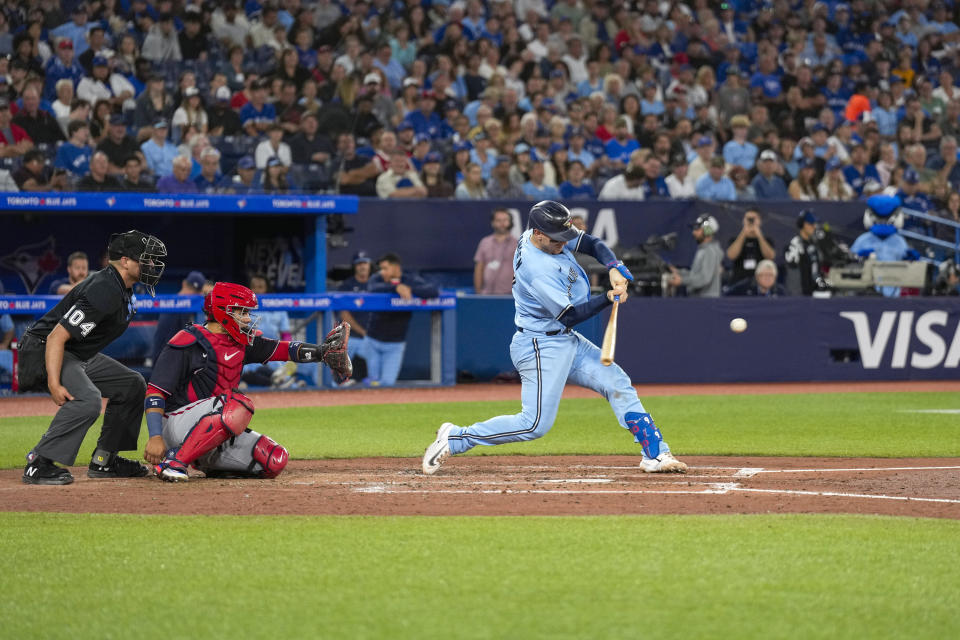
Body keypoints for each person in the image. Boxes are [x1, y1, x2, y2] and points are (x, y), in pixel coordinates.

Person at [422, 200, 687, 476]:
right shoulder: (536, 270)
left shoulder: (539, 234)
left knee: (616, 381)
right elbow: (570, 316)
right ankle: (456, 438)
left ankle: (655, 454)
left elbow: (591, 244)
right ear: (537, 234)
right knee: (535, 424)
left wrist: (613, 265)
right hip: (540, 345)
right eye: (556, 238)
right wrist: (608, 297)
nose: (563, 243)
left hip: (564, 339)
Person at [147, 282, 352, 482]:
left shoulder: (241, 342)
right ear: (222, 312)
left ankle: (209, 464)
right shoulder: (188, 341)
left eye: (247, 313)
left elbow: (283, 349)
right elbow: (155, 392)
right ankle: (174, 463)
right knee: (238, 404)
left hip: (210, 430)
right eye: (242, 312)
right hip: (174, 425)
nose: (247, 319)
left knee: (274, 459)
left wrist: (322, 353)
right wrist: (155, 437)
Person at [18, 231, 167, 485]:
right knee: (88, 400)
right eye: (145, 259)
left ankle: (104, 461)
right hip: (44, 350)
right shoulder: (105, 289)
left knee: (132, 384)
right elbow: (56, 337)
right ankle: (39, 461)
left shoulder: (122, 288)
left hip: (74, 353)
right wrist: (54, 383)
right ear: (125, 261)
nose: (151, 265)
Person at [363, 253, 439, 386]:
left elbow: (433, 291)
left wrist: (409, 289)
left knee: (387, 383)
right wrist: (396, 287)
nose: (382, 272)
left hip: (395, 344)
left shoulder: (408, 279)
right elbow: (372, 288)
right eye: (381, 269)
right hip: (373, 341)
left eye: (386, 268)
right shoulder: (377, 279)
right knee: (373, 383)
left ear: (396, 267)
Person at [150, 271, 206, 363]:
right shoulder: (173, 306)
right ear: (184, 284)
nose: (191, 294)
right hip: (165, 362)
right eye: (190, 288)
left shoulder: (191, 308)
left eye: (195, 292)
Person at [337, 251, 375, 382]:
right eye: (359, 264)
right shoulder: (346, 286)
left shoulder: (377, 284)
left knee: (375, 373)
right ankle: (335, 387)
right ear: (354, 266)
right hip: (351, 337)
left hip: (372, 338)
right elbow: (344, 314)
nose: (362, 266)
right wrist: (363, 332)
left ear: (369, 265)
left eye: (364, 263)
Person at [666, 214, 724, 297]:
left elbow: (704, 278)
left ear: (708, 231)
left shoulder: (710, 251)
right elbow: (696, 274)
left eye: (697, 229)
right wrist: (679, 272)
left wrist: (682, 280)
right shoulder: (704, 250)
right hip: (701, 301)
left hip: (707, 303)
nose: (694, 233)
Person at [474, 208, 518, 295]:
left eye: (505, 220)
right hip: (486, 294)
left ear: (511, 222)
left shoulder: (517, 244)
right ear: (493, 223)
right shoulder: (485, 242)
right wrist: (478, 292)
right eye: (498, 220)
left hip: (509, 296)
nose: (502, 223)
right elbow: (479, 268)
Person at [784, 210, 828, 296]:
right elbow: (792, 268)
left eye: (814, 224)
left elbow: (816, 270)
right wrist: (796, 294)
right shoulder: (795, 244)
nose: (814, 226)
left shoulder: (815, 244)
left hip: (815, 293)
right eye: (810, 224)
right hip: (801, 294)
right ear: (802, 225)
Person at [726, 210, 776, 285]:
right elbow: (731, 256)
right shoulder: (735, 239)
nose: (751, 221)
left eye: (754, 219)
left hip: (760, 284)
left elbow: (770, 257)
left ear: (760, 221)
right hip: (738, 282)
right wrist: (743, 233)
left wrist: (759, 235)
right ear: (743, 220)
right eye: (748, 219)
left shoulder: (766, 240)